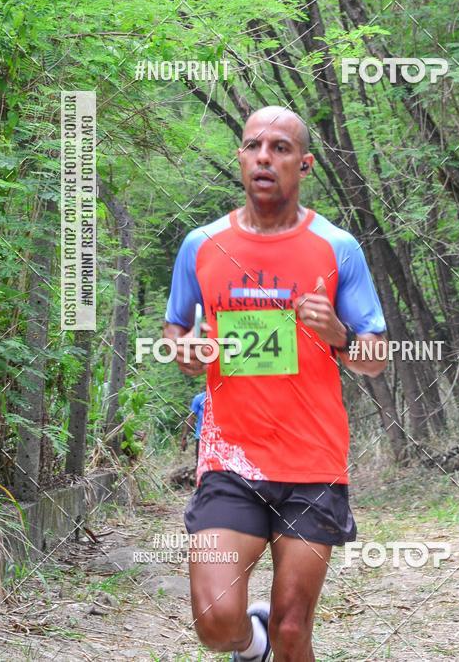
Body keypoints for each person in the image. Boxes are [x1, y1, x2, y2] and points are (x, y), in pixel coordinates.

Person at [163, 106, 387, 662]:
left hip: (312, 462)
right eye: (254, 146)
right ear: (240, 158)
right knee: (216, 624)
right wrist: (183, 349)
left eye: (281, 148)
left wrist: (336, 334)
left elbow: (376, 358)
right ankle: (250, 643)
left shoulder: (338, 248)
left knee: (294, 630)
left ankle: (274, 640)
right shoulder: (202, 245)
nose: (265, 157)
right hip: (229, 459)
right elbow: (176, 326)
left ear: (304, 164)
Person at [180, 390, 206, 475]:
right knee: (201, 464)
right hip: (202, 438)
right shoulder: (199, 398)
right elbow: (191, 418)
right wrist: (184, 437)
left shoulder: (222, 398)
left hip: (220, 439)